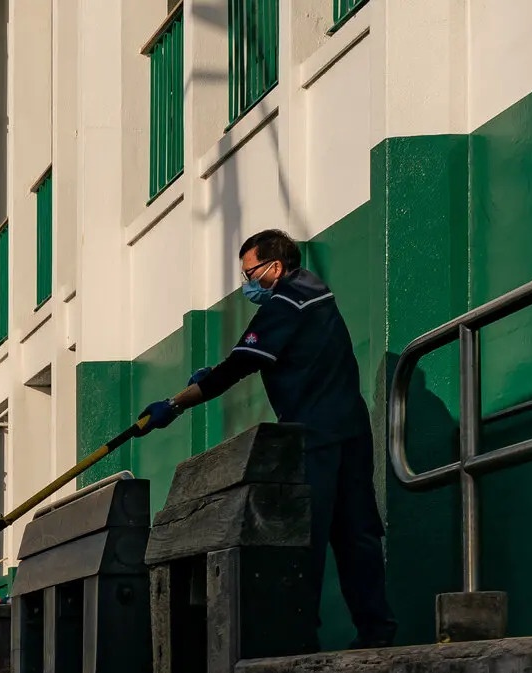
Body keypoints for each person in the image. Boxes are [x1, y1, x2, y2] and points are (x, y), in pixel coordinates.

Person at [143, 229, 396, 649]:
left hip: (314, 435)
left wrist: (177, 403)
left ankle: (299, 644)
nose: (247, 284)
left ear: (274, 267)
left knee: (306, 537)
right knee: (356, 533)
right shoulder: (316, 293)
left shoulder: (287, 300)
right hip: (350, 429)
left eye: (250, 273)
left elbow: (239, 365)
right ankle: (377, 632)